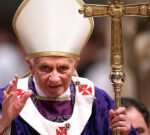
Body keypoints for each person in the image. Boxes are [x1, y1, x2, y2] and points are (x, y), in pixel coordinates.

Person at [0, 0, 138, 134]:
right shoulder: (7, 99)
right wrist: (4, 121)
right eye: (45, 68)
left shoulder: (97, 101)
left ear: (75, 65)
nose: (54, 78)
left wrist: (124, 131)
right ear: (31, 66)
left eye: (63, 69)